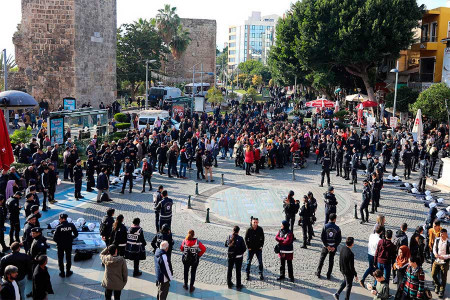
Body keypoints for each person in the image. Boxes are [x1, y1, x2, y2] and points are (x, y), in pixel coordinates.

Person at [316, 213, 342, 280]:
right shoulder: (337, 228)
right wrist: (334, 246)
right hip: (333, 246)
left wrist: (327, 246)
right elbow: (339, 239)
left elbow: (322, 237)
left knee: (322, 259)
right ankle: (328, 274)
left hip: (325, 247)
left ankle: (318, 272)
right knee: (331, 260)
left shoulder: (325, 226)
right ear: (335, 219)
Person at [53, 213, 78, 277]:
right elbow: (76, 234)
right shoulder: (71, 225)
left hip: (60, 245)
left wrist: (59, 242)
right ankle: (68, 271)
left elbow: (54, 238)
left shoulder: (58, 227)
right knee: (68, 258)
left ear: (63, 219)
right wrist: (70, 238)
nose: (59, 220)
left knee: (60, 259)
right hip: (68, 244)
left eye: (59, 219)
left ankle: (62, 272)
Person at [432, 228, 450, 298]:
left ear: (446, 234)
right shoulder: (437, 240)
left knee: (443, 277)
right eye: (441, 234)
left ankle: (441, 290)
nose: (441, 235)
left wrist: (443, 257)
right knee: (433, 274)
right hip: (437, 260)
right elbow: (434, 248)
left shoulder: (448, 242)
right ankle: (437, 285)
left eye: (443, 234)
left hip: (444, 262)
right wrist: (435, 254)